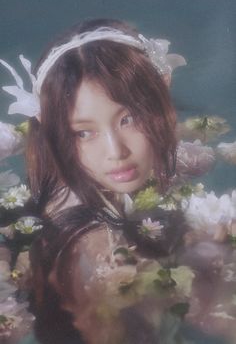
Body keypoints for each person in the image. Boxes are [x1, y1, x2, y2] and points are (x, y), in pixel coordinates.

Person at [1, 19, 234, 344]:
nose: (116, 152)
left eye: (129, 119)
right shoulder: (99, 248)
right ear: (55, 134)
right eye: (84, 133)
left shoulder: (72, 195)